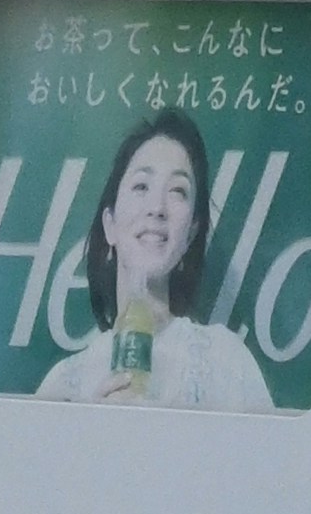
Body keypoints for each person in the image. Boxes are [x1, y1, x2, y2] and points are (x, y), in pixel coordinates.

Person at [37, 108, 273, 406]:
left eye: (177, 191)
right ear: (109, 224)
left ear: (190, 233)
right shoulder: (63, 385)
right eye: (141, 186)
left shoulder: (227, 362)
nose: (157, 208)